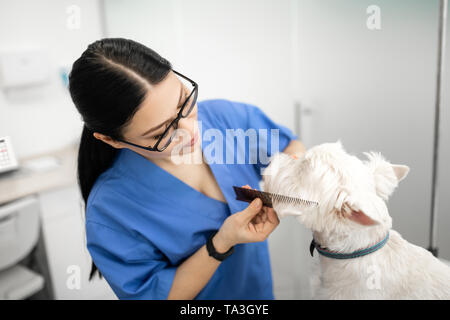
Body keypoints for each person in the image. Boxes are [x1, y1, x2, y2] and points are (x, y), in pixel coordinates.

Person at [68, 37, 306, 300]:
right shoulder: (110, 211)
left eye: (184, 102)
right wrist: (221, 243)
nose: (190, 130)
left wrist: (288, 182)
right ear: (110, 139)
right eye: (161, 132)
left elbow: (290, 146)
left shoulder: (222, 117)